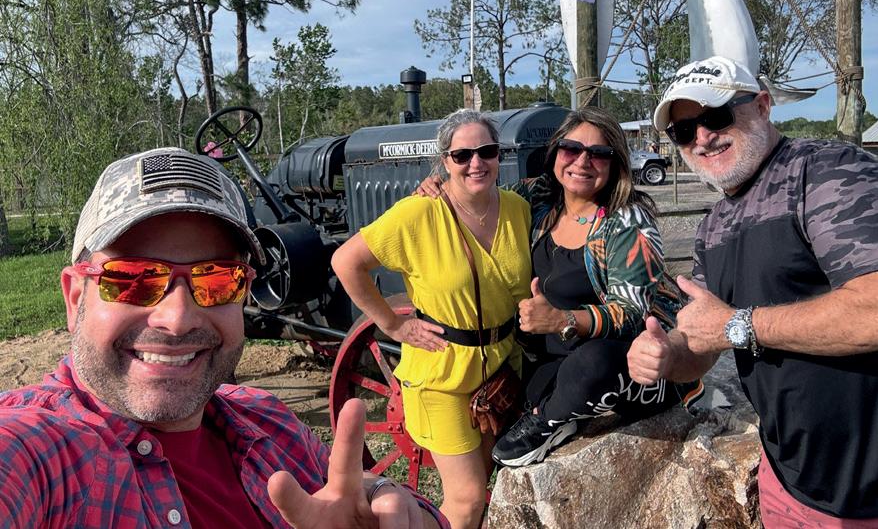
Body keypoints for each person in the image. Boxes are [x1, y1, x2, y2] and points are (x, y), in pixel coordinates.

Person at [0, 147, 447, 529]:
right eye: (133, 278)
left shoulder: (268, 424)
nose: (177, 319)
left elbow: (365, 501)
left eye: (217, 279)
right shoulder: (37, 453)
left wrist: (385, 498)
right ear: (75, 297)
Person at [628, 55, 878, 526]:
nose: (702, 137)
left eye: (716, 115)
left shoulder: (827, 171)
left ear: (762, 106)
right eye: (684, 131)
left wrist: (737, 325)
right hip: (787, 480)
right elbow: (702, 341)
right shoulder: (713, 228)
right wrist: (666, 354)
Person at [331, 110, 532, 529]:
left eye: (487, 151)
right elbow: (345, 261)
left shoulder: (517, 208)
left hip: (498, 370)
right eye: (462, 155)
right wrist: (393, 324)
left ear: (499, 156)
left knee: (483, 482)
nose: (476, 163)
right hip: (442, 372)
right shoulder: (420, 213)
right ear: (445, 161)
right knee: (467, 498)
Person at [479, 107, 703, 468]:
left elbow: (632, 314)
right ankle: (563, 408)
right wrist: (440, 185)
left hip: (630, 359)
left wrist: (562, 320)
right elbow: (480, 196)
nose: (582, 161)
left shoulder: (626, 220)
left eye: (599, 153)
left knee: (593, 364)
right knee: (540, 383)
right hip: (556, 356)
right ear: (555, 152)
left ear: (615, 164)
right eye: (571, 149)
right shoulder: (538, 197)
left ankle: (550, 419)